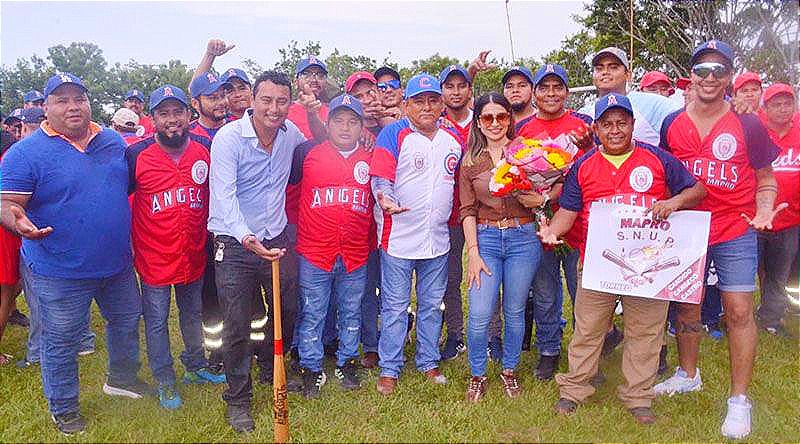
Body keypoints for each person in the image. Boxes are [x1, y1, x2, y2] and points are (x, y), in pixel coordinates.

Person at [539, 92, 705, 424]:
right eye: (607, 124)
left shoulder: (657, 159)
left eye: (621, 123)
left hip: (649, 264)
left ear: (632, 124)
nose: (615, 130)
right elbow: (568, 213)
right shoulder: (584, 166)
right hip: (599, 263)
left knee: (645, 330)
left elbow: (697, 189)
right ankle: (574, 389)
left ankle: (638, 396)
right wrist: (551, 231)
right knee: (588, 329)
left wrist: (673, 203)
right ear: (596, 128)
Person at [0, 73, 146, 435]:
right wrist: (17, 221)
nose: (72, 106)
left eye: (78, 98)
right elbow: (7, 203)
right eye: (61, 100)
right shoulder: (24, 153)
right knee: (61, 341)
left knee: (127, 323)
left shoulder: (112, 142)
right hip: (58, 270)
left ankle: (122, 379)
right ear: (45, 107)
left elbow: (119, 188)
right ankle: (63, 407)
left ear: (89, 102)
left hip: (117, 265)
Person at [655, 40, 782, 439]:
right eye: (702, 70)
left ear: (729, 76)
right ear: (691, 75)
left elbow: (766, 178)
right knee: (687, 307)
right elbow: (665, 176)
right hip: (688, 227)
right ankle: (688, 374)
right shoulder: (672, 122)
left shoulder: (748, 123)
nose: (710, 77)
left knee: (739, 309)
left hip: (734, 225)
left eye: (719, 70)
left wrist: (764, 209)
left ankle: (738, 400)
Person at [207, 71, 308, 434]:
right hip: (236, 243)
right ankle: (237, 398)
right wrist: (249, 239)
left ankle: (270, 368)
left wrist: (313, 111)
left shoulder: (290, 135)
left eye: (282, 101)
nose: (274, 108)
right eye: (266, 100)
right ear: (252, 99)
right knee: (237, 322)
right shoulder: (229, 138)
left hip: (276, 236)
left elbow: (313, 142)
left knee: (287, 308)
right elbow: (223, 196)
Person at [126, 85, 226, 410]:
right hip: (154, 255)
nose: (172, 120)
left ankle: (195, 366)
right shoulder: (136, 154)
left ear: (188, 114)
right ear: (152, 118)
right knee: (156, 321)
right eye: (164, 113)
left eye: (178, 112)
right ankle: (166, 380)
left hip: (192, 251)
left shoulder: (205, 147)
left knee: (192, 313)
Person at [370, 73, 462, 395]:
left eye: (433, 100)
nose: (427, 106)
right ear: (406, 104)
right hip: (398, 238)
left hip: (436, 239)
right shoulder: (393, 134)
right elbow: (380, 178)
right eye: (419, 101)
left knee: (431, 304)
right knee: (395, 307)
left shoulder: (452, 140)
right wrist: (386, 199)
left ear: (441, 104)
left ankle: (427, 361)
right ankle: (389, 367)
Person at [459, 92, 543, 402]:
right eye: (488, 118)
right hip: (488, 239)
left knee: (515, 310)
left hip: (523, 238)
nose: (495, 123)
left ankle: (509, 371)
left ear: (510, 118)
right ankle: (478, 374)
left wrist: (539, 199)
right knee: (480, 314)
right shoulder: (469, 162)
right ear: (478, 122)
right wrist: (474, 253)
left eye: (501, 117)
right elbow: (467, 210)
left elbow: (542, 193)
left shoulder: (527, 153)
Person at [291, 94, 374, 398]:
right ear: (327, 123)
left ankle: (347, 361)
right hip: (315, 250)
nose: (345, 127)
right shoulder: (307, 153)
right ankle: (311, 366)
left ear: (362, 127)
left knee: (350, 311)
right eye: (338, 120)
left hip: (354, 251)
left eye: (353, 121)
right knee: (313, 311)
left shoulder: (370, 156)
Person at [517, 63, 594, 380]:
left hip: (578, 225)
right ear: (535, 93)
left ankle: (587, 353)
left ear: (566, 91)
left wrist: (588, 147)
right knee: (546, 293)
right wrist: (530, 197)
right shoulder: (524, 129)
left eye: (557, 87)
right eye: (544, 88)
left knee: (584, 295)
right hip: (540, 226)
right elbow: (514, 174)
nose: (551, 93)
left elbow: (595, 165)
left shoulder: (582, 125)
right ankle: (549, 351)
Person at [755, 83, 799, 337]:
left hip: (791, 218)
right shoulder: (756, 130)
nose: (783, 109)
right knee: (748, 270)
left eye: (787, 103)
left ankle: (771, 318)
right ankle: (732, 316)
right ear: (766, 108)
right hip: (755, 217)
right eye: (776, 104)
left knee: (779, 272)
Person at [438, 64, 474, 360]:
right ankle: (455, 334)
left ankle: (491, 336)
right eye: (449, 86)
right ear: (442, 92)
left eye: (461, 85)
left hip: (481, 211)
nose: (456, 91)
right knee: (450, 278)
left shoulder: (484, 119)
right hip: (447, 214)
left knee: (486, 276)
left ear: (469, 89)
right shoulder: (433, 123)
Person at [578, 47, 680, 147]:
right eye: (599, 68)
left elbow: (684, 122)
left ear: (628, 75)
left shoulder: (654, 104)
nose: (605, 72)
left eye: (613, 67)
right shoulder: (583, 114)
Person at [190, 39, 253, 120]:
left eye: (242, 88)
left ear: (251, 91)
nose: (238, 95)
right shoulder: (220, 122)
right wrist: (210, 55)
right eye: (230, 91)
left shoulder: (265, 117)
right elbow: (195, 88)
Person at [188, 72, 231, 140]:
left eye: (223, 96)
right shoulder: (187, 135)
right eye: (213, 98)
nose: (221, 102)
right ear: (195, 104)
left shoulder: (238, 128)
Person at [501, 66, 537, 131]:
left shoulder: (544, 118)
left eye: (522, 85)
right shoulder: (497, 122)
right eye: (509, 86)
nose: (515, 90)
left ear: (532, 90)